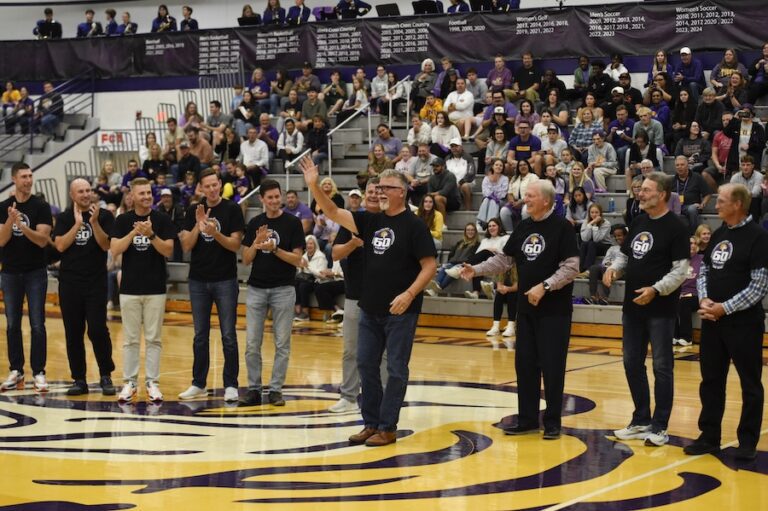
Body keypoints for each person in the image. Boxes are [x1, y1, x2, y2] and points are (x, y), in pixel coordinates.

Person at [300, 158, 437, 447]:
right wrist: (314, 185)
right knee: (365, 364)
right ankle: (371, 423)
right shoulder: (371, 220)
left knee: (396, 369)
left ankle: (388, 427)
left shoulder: (414, 226)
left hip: (401, 310)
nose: (380, 192)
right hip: (369, 308)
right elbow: (333, 211)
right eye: (378, 187)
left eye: (387, 187)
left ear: (402, 191)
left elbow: (429, 266)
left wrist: (409, 294)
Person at [461, 180, 578, 439]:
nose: (525, 199)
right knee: (524, 365)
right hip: (525, 311)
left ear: (546, 200)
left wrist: (544, 286)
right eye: (526, 195)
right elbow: (505, 259)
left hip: (554, 312)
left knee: (552, 367)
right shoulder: (524, 226)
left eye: (531, 196)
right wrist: (476, 270)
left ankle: (553, 423)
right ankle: (526, 420)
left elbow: (571, 267)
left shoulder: (562, 227)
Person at [604, 172, 690, 447]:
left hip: (661, 309)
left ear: (662, 194)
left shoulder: (677, 227)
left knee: (662, 366)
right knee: (631, 363)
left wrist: (655, 289)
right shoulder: (639, 221)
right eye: (640, 190)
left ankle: (660, 426)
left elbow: (681, 271)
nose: (640, 194)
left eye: (647, 190)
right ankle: (640, 419)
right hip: (632, 308)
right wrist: (615, 269)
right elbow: (626, 255)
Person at [684, 183, 768, 461]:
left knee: (750, 384)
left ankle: (747, 441)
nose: (716, 205)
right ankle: (709, 437)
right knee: (711, 381)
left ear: (738, 205)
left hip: (744, 325)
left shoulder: (758, 238)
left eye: (721, 201)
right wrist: (705, 300)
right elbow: (704, 271)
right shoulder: (719, 234)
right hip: (713, 322)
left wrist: (725, 309)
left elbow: (758, 287)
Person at [177, 169, 245, 403]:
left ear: (220, 185)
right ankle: (198, 383)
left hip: (225, 279)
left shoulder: (232, 209)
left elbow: (235, 245)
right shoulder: (192, 210)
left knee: (228, 334)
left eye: (215, 184)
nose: (213, 189)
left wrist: (215, 233)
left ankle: (231, 384)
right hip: (198, 280)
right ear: (201, 189)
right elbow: (186, 245)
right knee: (200, 335)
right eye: (207, 186)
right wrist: (198, 225)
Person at [239, 180, 306, 407]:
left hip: (284, 289)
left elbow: (298, 259)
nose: (275, 201)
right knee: (251, 343)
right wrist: (257, 244)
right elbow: (246, 260)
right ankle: (254, 389)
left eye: (278, 196)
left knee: (282, 343)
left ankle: (276, 389)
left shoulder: (293, 223)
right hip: (256, 288)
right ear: (262, 199)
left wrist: (274, 249)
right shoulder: (255, 223)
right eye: (271, 197)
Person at [110, 178, 176, 402]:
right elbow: (115, 249)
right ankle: (129, 383)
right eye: (142, 194)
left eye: (149, 193)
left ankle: (152, 383)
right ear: (132, 197)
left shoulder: (162, 219)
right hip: (129, 288)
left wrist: (150, 235)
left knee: (154, 338)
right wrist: (134, 233)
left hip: (155, 287)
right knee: (130, 339)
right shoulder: (122, 220)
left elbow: (168, 250)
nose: (147, 197)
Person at [328, 179, 387, 413]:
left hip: (381, 298)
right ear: (364, 195)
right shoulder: (352, 221)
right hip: (354, 296)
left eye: (377, 191)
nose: (373, 195)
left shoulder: (388, 222)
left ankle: (382, 398)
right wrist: (353, 243)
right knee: (351, 349)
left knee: (381, 353)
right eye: (370, 191)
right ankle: (349, 397)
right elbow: (334, 253)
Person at [53, 179, 116, 396]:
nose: (86, 194)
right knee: (73, 332)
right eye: (81, 191)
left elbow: (106, 245)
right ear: (72, 195)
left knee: (98, 329)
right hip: (70, 283)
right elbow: (60, 245)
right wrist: (78, 225)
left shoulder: (104, 216)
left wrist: (95, 223)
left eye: (88, 190)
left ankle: (106, 374)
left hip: (96, 282)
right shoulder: (63, 218)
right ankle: (79, 379)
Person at [0, 163, 53, 392]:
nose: (28, 180)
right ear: (14, 179)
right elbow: (1, 240)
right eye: (24, 176)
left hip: (35, 272)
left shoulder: (41, 206)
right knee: (12, 324)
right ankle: (16, 370)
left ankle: (39, 372)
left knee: (37, 323)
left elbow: (42, 240)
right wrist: (11, 221)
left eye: (31, 176)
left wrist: (21, 224)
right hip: (10, 272)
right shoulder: (3, 207)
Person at [585, 224, 627, 305]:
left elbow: (625, 262)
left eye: (619, 235)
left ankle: (605, 297)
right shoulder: (612, 248)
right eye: (615, 236)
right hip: (606, 269)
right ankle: (593, 296)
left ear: (625, 236)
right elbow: (605, 261)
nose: (617, 238)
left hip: (621, 272)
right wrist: (609, 265)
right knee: (594, 268)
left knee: (606, 269)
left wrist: (611, 266)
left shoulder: (628, 248)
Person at [673, 236, 702, 347]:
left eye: (695, 243)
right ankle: (674, 336)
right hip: (680, 293)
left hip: (696, 294)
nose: (693, 245)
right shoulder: (678, 260)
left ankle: (687, 337)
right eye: (690, 243)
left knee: (684, 302)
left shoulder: (702, 259)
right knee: (672, 301)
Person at [674, 155, 712, 232]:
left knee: (692, 209)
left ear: (687, 165)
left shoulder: (697, 177)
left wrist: (703, 204)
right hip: (676, 206)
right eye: (677, 165)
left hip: (691, 206)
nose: (679, 167)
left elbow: (708, 193)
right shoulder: (672, 180)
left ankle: (694, 234)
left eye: (682, 164)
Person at [579, 203, 612, 272]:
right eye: (592, 212)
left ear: (600, 213)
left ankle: (587, 270)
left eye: (596, 212)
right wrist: (590, 224)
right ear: (589, 213)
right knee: (584, 244)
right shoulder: (586, 222)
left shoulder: (606, 223)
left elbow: (597, 239)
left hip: (605, 246)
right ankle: (580, 269)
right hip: (591, 246)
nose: (594, 214)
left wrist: (594, 225)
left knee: (592, 244)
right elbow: (584, 239)